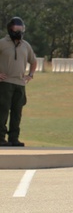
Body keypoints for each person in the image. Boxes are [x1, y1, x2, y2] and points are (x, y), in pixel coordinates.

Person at [0, 17, 37, 147]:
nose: (19, 33)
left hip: (20, 84)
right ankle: (1, 138)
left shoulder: (26, 45)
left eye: (21, 30)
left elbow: (33, 61)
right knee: (3, 111)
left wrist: (30, 75)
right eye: (16, 30)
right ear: (10, 29)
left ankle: (14, 139)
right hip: (5, 83)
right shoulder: (2, 43)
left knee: (17, 113)